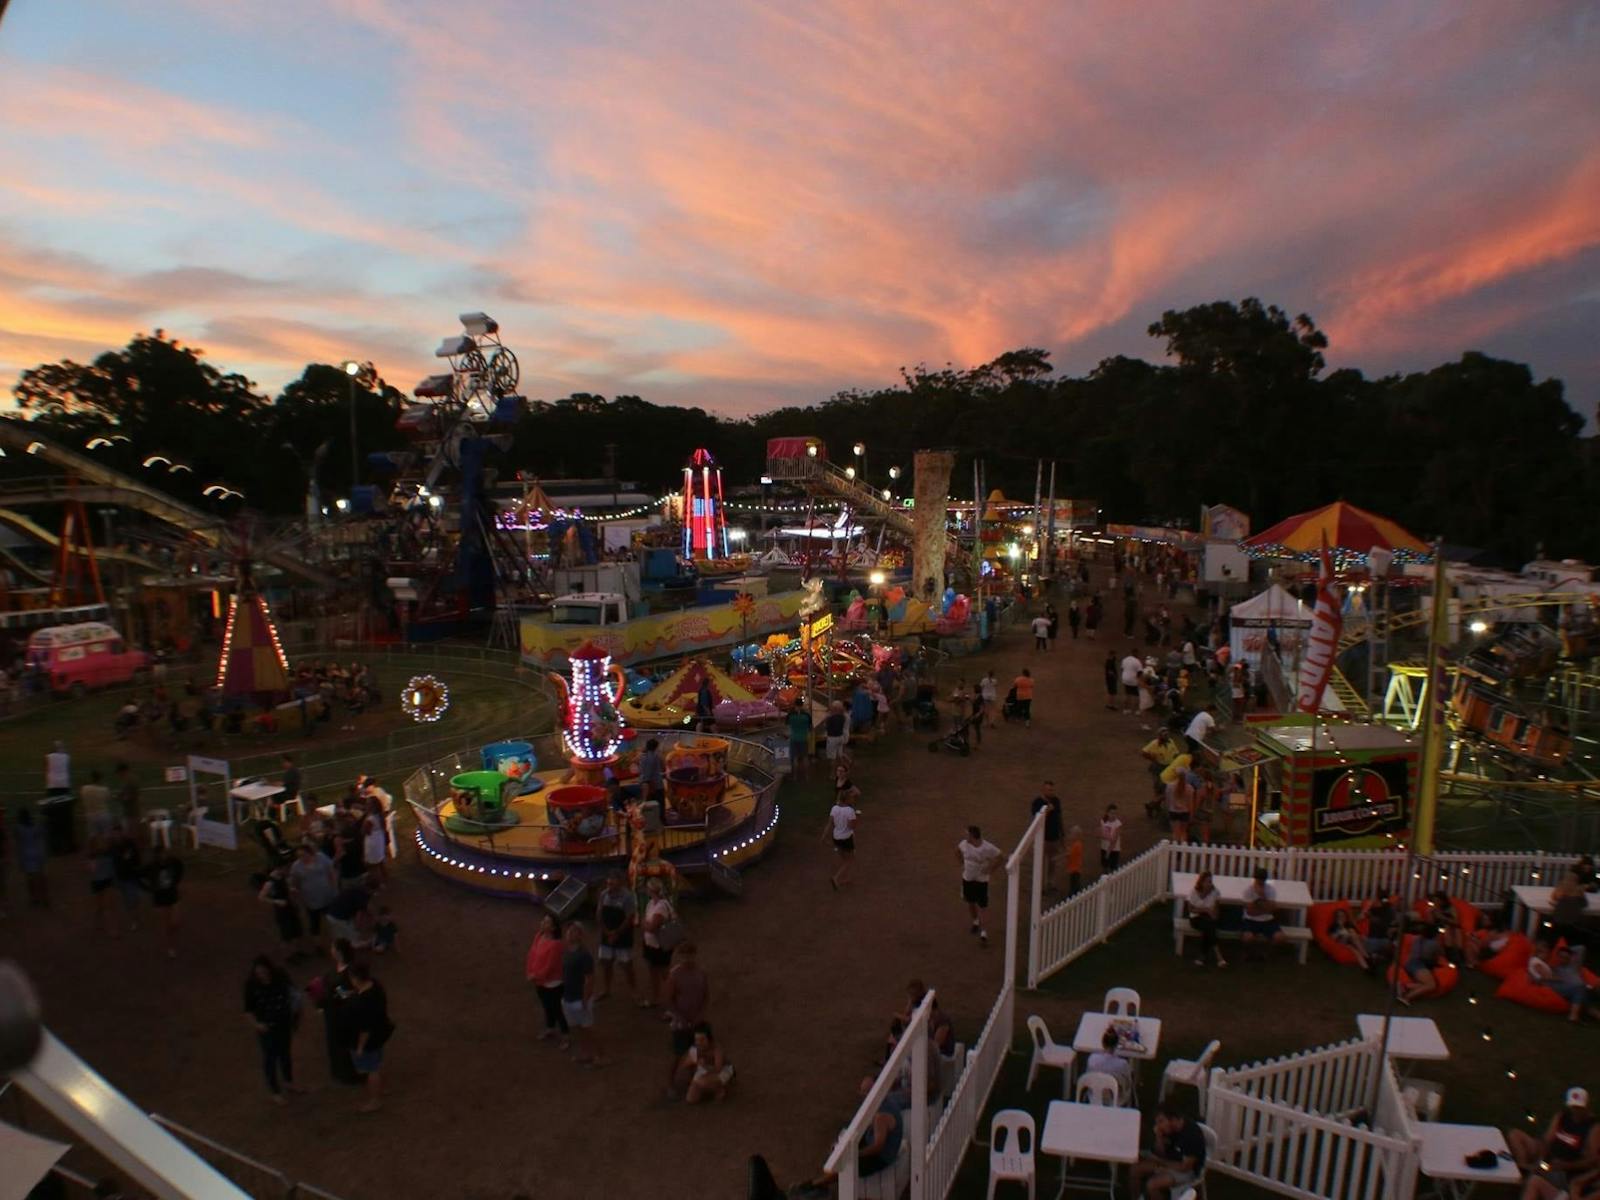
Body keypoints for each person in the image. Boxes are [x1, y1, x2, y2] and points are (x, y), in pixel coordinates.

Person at [1510, 1087, 1600, 1196]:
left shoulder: (1593, 1128)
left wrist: (1566, 1165)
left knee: (1535, 1177)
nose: (1575, 1111)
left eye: (1578, 1108)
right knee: (1515, 1135)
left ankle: (1527, 1175)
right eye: (1573, 1107)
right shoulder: (1562, 1116)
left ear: (1585, 1106)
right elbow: (1547, 1140)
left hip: (1564, 1170)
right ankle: (1524, 1169)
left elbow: (1592, 1161)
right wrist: (1541, 1158)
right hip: (1550, 1157)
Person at [243, 955, 302, 1104]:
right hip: (266, 1028)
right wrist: (257, 1025)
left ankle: (289, 1082)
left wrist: (295, 1017)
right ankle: (275, 1091)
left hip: (283, 1024)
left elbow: (293, 995)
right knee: (270, 1059)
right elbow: (248, 1010)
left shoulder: (280, 977)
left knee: (285, 1054)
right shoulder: (251, 985)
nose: (262, 975)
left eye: (264, 972)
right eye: (259, 973)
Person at [1131, 1102, 1209, 1199]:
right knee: (1135, 1169)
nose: (1158, 1125)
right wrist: (1158, 1137)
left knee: (1152, 1185)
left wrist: (1160, 1162)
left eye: (1161, 1121)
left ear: (1173, 1119)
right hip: (1169, 1161)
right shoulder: (1168, 1129)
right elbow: (1160, 1153)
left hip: (1188, 1171)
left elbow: (1184, 1167)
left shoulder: (1191, 1136)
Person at [345, 961, 393, 1112]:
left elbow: (364, 1030)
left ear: (357, 978)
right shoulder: (375, 985)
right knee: (378, 1062)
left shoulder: (361, 1002)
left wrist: (360, 1047)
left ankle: (375, 1100)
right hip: (380, 1032)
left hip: (369, 1040)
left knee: (371, 1069)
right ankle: (383, 1088)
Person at [664, 941, 710, 1095]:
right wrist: (681, 1018)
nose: (687, 959)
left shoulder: (700, 973)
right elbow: (669, 1000)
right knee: (678, 1054)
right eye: (684, 955)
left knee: (695, 1051)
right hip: (680, 1023)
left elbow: (705, 996)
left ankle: (692, 1079)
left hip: (697, 1020)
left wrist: (700, 1015)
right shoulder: (675, 975)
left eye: (690, 955)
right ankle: (670, 1084)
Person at [561, 921, 604, 1067]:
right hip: (568, 996)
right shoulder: (567, 951)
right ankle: (587, 1053)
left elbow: (590, 979)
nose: (569, 934)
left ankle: (599, 1056)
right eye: (568, 931)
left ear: (580, 935)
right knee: (579, 1027)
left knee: (588, 1028)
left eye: (573, 931)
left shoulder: (584, 955)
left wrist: (585, 999)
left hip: (579, 998)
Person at [525, 912, 569, 1046]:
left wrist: (535, 975)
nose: (543, 923)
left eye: (547, 922)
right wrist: (530, 972)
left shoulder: (556, 945)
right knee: (547, 1006)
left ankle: (566, 1035)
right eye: (543, 921)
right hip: (540, 981)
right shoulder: (539, 936)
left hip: (552, 983)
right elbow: (532, 954)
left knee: (556, 1009)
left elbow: (550, 966)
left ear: (553, 928)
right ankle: (550, 1028)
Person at [1530, 941, 1600, 1022]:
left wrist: (1565, 950)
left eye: (1565, 957)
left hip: (1581, 990)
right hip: (1567, 989)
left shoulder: (1574, 966)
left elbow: (1581, 948)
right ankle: (1573, 1016)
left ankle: (1594, 1014)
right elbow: (1543, 975)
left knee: (1583, 992)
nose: (1562, 959)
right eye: (1561, 957)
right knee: (1580, 989)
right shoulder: (1555, 968)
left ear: (1570, 958)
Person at [594, 872, 638, 999]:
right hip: (607, 935)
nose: (609, 886)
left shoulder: (627, 897)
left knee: (627, 965)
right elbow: (599, 914)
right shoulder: (604, 895)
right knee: (606, 963)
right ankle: (606, 990)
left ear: (620, 883)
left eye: (612, 883)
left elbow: (629, 917)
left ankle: (634, 992)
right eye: (608, 883)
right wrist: (607, 932)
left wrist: (616, 933)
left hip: (623, 936)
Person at [956, 825, 1002, 946]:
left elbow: (1000, 857)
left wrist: (990, 869)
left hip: (981, 880)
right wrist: (962, 864)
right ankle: (976, 922)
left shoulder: (987, 847)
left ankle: (984, 932)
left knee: (982, 906)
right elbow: (957, 851)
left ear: (972, 836)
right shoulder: (964, 844)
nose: (965, 836)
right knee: (970, 902)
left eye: (967, 834)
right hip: (968, 878)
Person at [290, 840, 339, 947]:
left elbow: (331, 872)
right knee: (314, 924)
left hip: (327, 896)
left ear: (310, 852)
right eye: (299, 856)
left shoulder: (321, 858)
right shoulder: (296, 867)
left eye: (303, 855)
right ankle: (318, 946)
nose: (302, 858)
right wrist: (298, 898)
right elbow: (295, 883)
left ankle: (337, 942)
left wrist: (334, 889)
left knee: (332, 920)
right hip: (311, 901)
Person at [674, 1022, 734, 1104]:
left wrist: (703, 1066)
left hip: (723, 1070)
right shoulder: (694, 1049)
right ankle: (709, 1088)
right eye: (697, 1040)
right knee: (691, 1099)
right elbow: (683, 1066)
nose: (699, 1043)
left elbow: (718, 1069)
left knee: (701, 1082)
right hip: (704, 1069)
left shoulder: (716, 1049)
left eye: (702, 1040)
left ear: (709, 1039)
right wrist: (691, 1062)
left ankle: (720, 1089)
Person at [258, 862, 308, 960]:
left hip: (290, 908)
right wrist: (276, 901)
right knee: (286, 936)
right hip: (282, 912)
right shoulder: (270, 882)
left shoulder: (282, 876)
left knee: (296, 931)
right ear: (278, 868)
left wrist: (292, 889)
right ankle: (288, 956)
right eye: (284, 868)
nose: (286, 871)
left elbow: (286, 887)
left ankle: (296, 952)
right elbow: (261, 897)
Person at [641, 879, 678, 1008]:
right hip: (652, 944)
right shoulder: (651, 903)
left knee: (664, 974)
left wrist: (645, 925)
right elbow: (648, 924)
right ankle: (656, 998)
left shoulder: (661, 906)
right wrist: (646, 925)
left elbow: (651, 926)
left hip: (660, 946)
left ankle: (671, 1002)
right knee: (654, 972)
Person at [143, 843, 183, 958]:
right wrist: (149, 888)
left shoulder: (172, 863)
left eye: (165, 853)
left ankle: (170, 941)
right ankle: (169, 947)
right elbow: (140, 874)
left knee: (176, 922)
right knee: (164, 924)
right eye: (161, 853)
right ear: (157, 855)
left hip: (173, 895)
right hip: (160, 898)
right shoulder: (151, 867)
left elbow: (180, 868)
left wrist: (177, 882)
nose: (164, 855)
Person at [1240, 867, 1287, 960]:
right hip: (1251, 920)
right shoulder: (1248, 890)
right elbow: (1250, 912)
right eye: (1258, 879)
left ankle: (1266, 953)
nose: (1260, 882)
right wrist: (1266, 909)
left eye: (1262, 880)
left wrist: (1262, 896)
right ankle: (1249, 953)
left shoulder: (1270, 890)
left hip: (1268, 920)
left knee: (1280, 937)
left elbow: (1272, 909)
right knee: (1247, 937)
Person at [1186, 871, 1227, 968]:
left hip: (1209, 918)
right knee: (1209, 927)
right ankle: (1219, 957)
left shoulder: (1215, 892)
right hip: (1196, 918)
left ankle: (1202, 957)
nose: (1210, 884)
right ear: (1201, 882)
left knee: (1208, 927)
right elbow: (1190, 909)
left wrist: (1213, 914)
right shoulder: (1194, 892)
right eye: (1207, 881)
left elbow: (1216, 911)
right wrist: (1205, 910)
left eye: (1210, 881)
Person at [1085, 1025, 1134, 1103]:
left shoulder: (1092, 1058)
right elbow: (1128, 1081)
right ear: (1116, 1044)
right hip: (1116, 1099)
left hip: (1094, 1095)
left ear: (1102, 1043)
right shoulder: (1122, 1064)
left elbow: (1087, 1076)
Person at [1399, 925, 1444, 1005]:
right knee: (1431, 985)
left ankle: (1406, 986)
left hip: (1410, 962)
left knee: (1428, 983)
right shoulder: (1434, 944)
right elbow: (1436, 957)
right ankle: (1406, 997)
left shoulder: (1417, 939)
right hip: (1417, 964)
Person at [1030, 781, 1063, 892]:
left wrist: (1061, 834)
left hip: (1054, 837)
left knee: (1052, 862)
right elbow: (1036, 819)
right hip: (1042, 838)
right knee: (1041, 863)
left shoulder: (1056, 800)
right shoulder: (1037, 803)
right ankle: (1040, 886)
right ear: (1043, 790)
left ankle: (1050, 883)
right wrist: (1047, 810)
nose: (1051, 792)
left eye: (1052, 790)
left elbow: (1059, 818)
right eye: (1049, 790)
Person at [109, 824, 141, 930]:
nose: (116, 836)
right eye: (114, 834)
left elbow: (136, 858)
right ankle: (134, 919)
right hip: (120, 876)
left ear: (122, 833)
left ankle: (134, 920)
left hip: (130, 875)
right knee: (127, 899)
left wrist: (133, 864)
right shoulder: (112, 846)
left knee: (132, 898)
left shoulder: (129, 844)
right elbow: (112, 862)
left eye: (118, 833)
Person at [826, 787, 859, 890]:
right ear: (848, 799)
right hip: (846, 839)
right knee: (850, 859)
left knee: (844, 858)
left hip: (836, 838)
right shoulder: (850, 811)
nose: (853, 800)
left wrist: (823, 837)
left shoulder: (834, 808)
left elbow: (829, 823)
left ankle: (846, 878)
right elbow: (851, 827)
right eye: (852, 798)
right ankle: (836, 878)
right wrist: (857, 819)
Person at [15, 807, 47, 909]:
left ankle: (34, 898)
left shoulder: (18, 828)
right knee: (40, 877)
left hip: (26, 855)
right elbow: (42, 832)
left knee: (30, 879)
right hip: (37, 853)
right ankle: (44, 898)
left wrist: (20, 860)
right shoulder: (34, 826)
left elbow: (19, 844)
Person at [1361, 892, 1398, 971]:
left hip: (1374, 941)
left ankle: (1374, 957)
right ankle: (1378, 957)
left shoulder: (1373, 910)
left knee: (1362, 940)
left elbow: (1360, 918)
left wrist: (1367, 909)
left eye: (1375, 899)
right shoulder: (1391, 910)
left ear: (1378, 900)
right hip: (1386, 942)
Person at [786, 702, 813, 780]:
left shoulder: (790, 715)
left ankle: (795, 776)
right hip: (803, 738)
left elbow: (787, 726)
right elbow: (810, 728)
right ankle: (807, 775)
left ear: (795, 705)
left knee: (795, 758)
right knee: (805, 757)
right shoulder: (807, 716)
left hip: (793, 738)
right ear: (802, 706)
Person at [361, 815, 387, 887]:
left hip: (372, 841)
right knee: (380, 861)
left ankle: (377, 883)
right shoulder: (380, 816)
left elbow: (365, 831)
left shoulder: (370, 819)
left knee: (374, 865)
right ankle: (384, 879)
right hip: (379, 838)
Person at [636, 738, 665, 803]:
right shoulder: (657, 756)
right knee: (659, 805)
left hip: (644, 784)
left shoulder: (641, 756)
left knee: (648, 806)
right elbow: (663, 768)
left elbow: (639, 769)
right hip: (657, 784)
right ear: (656, 747)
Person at [1098, 804, 1123, 871]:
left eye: (1115, 813)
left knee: (1113, 868)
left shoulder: (1118, 824)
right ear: (1107, 813)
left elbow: (1114, 840)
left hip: (1114, 850)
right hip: (1104, 847)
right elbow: (1100, 833)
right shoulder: (1103, 821)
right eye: (1112, 813)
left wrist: (1108, 852)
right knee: (1105, 867)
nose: (1113, 815)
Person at [1120, 646, 1143, 714]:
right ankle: (1136, 710)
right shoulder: (1137, 661)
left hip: (1125, 679)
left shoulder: (1125, 659)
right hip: (1133, 680)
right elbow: (1140, 672)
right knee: (1136, 695)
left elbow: (1122, 668)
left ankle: (1126, 709)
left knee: (1127, 694)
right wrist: (1138, 679)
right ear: (1136, 653)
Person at [1065, 825, 1084, 894]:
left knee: (1074, 884)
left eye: (1071, 834)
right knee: (1075, 883)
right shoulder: (1076, 844)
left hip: (1075, 869)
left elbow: (1069, 854)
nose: (1070, 836)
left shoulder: (1077, 845)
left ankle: (1073, 895)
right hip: (1074, 868)